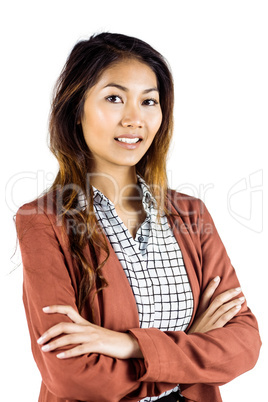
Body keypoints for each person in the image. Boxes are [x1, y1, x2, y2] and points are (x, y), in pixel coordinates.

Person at [16, 32, 261, 402]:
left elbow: (244, 344)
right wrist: (191, 348)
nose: (135, 119)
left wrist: (127, 345)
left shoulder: (190, 214)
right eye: (114, 98)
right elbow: (70, 375)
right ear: (76, 110)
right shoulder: (42, 220)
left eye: (149, 101)